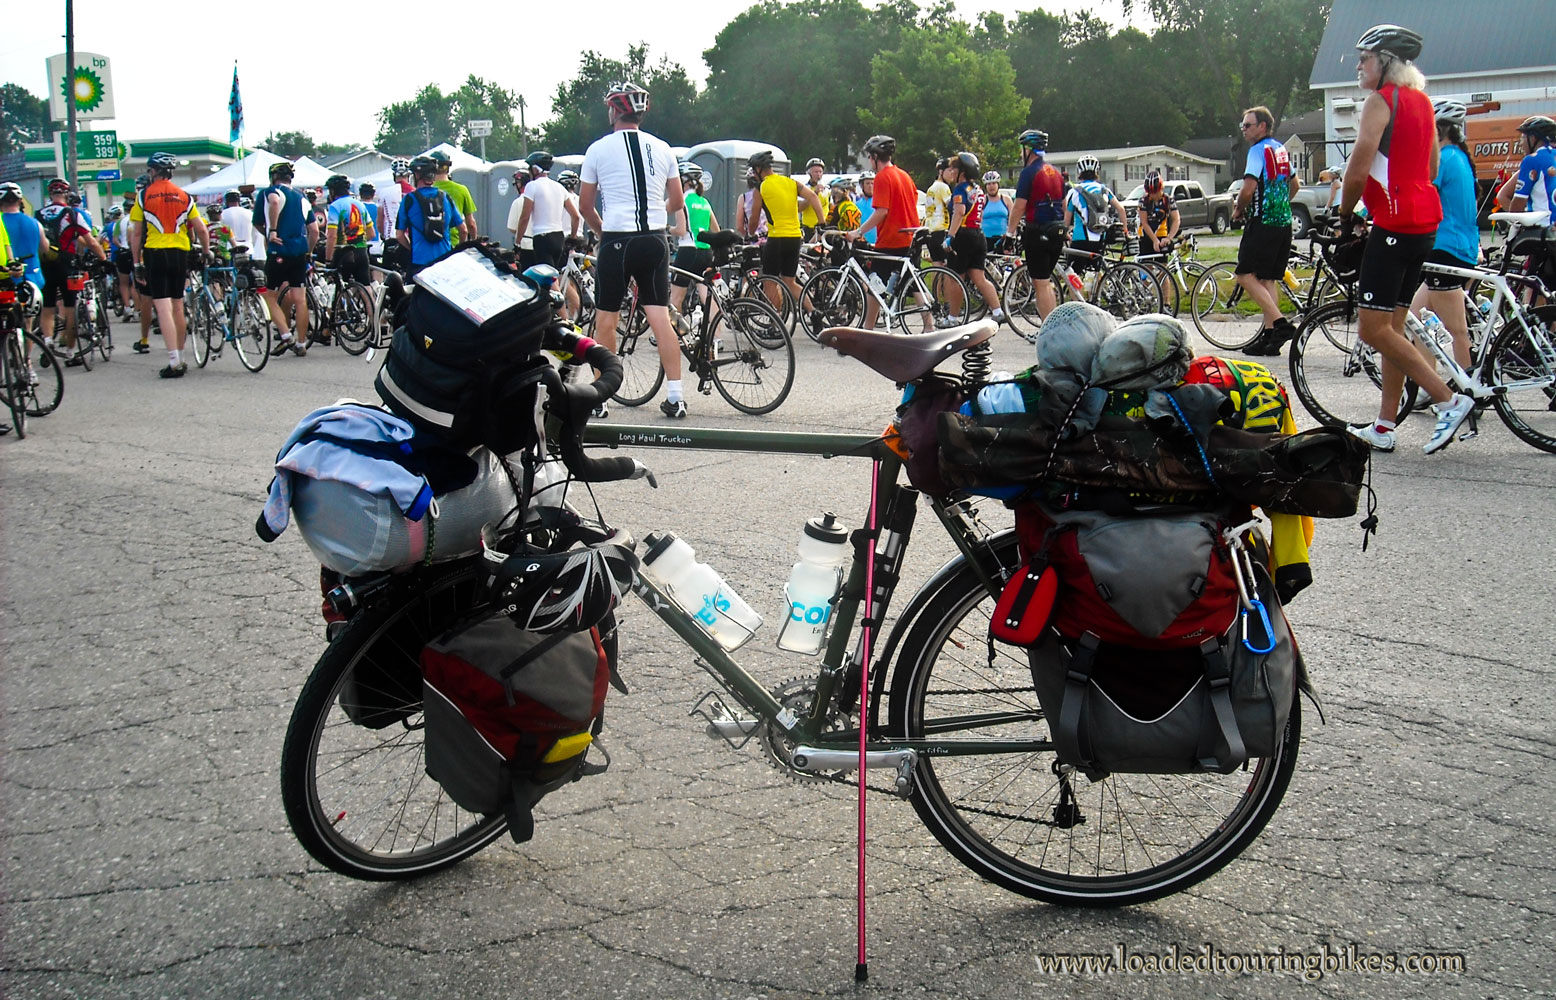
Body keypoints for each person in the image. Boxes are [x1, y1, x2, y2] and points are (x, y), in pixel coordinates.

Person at [1336, 23, 1467, 456]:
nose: (1359, 65)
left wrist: (1343, 214)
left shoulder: (1380, 101)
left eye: (1365, 58)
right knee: (1392, 328)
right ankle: (1385, 424)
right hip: (1424, 223)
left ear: (1386, 63)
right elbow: (1429, 170)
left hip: (1394, 224)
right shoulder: (1422, 102)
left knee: (1373, 329)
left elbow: (1357, 167)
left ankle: (1449, 400)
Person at [578, 81, 687, 418]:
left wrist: (602, 233)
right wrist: (654, 210)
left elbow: (585, 206)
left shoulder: (597, 149)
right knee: (660, 317)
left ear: (613, 111)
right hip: (655, 238)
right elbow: (678, 201)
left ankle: (602, 397)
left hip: (617, 239)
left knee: (606, 319)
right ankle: (676, 396)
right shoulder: (664, 148)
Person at [1403, 101, 1479, 385]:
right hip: (1454, 248)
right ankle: (1427, 383)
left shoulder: (1444, 158)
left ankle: (1470, 388)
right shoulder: (1457, 155)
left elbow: (1416, 193)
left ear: (1440, 131)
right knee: (1416, 320)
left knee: (1456, 329)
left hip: (1447, 250)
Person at [129, 152, 210, 378]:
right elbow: (201, 229)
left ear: (153, 171)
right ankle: (182, 357)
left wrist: (136, 262)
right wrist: (206, 251)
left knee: (162, 307)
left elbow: (136, 234)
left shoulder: (144, 195)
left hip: (155, 251)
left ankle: (173, 361)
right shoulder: (183, 195)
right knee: (178, 306)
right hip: (180, 253)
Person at [1231, 107, 1300, 356]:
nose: (1244, 130)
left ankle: (1280, 324)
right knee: (1267, 278)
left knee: (1244, 275)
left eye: (1248, 125)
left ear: (1262, 126)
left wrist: (1239, 209)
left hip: (1262, 222)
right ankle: (1270, 337)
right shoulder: (1280, 149)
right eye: (1243, 126)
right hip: (1283, 223)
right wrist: (1281, 204)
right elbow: (1295, 184)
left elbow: (1248, 189)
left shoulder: (1257, 151)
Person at [843, 134, 925, 331]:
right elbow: (912, 200)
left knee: (874, 284)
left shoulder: (882, 178)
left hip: (891, 239)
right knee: (912, 284)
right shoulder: (904, 175)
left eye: (870, 157)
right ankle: (929, 325)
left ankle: (868, 329)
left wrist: (858, 231)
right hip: (909, 236)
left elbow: (882, 211)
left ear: (874, 156)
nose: (870, 161)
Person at [36, 177, 108, 363]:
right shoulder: (71, 214)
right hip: (67, 263)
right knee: (70, 307)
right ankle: (70, 352)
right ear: (66, 194)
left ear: (50, 194)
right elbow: (90, 240)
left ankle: (48, 341)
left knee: (48, 307)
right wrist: (103, 258)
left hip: (45, 263)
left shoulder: (39, 214)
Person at [748, 148, 826, 318]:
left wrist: (750, 233)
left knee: (770, 282)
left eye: (754, 171)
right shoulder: (790, 183)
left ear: (759, 169)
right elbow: (813, 197)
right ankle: (813, 312)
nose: (754, 175)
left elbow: (754, 219)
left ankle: (775, 322)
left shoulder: (760, 188)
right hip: (795, 238)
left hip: (776, 238)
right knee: (789, 281)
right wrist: (822, 223)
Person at [258, 160, 318, 357]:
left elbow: (271, 206)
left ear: (274, 177)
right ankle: (301, 343)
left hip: (279, 250)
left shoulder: (270, 192)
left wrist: (271, 231)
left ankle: (285, 335)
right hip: (299, 251)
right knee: (300, 299)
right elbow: (314, 230)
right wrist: (308, 251)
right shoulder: (302, 197)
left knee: (269, 296)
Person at [1006, 129, 1066, 320]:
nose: (1020, 153)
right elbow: (1064, 205)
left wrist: (1009, 233)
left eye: (1022, 149)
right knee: (1046, 282)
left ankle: (1048, 329)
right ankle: (1054, 325)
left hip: (1037, 231)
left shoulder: (1029, 172)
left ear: (1029, 149)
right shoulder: (1056, 172)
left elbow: (1019, 207)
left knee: (1040, 284)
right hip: (1057, 231)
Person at [944, 151, 1006, 324]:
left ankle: (953, 318)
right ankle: (998, 311)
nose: (951, 171)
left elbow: (959, 213)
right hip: (979, 235)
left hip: (963, 235)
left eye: (954, 168)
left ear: (962, 171)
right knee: (979, 277)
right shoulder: (977, 189)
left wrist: (950, 236)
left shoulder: (960, 189)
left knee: (955, 278)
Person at [512, 151, 580, 273]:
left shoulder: (532, 186)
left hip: (542, 238)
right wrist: (572, 239)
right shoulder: (559, 187)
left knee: (549, 278)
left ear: (535, 169)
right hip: (559, 237)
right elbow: (575, 217)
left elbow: (524, 217)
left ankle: (557, 293)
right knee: (555, 275)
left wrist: (517, 242)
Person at [396, 155, 463, 274]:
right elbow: (463, 229)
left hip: (419, 262)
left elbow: (400, 235)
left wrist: (412, 248)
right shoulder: (446, 197)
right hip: (445, 260)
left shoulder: (409, 200)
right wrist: (457, 252)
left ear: (417, 175)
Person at [669, 160, 719, 316]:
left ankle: (676, 336)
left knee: (675, 298)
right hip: (706, 252)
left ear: (683, 181)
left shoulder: (681, 201)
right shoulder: (704, 202)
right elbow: (716, 230)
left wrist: (666, 229)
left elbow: (681, 229)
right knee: (707, 296)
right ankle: (717, 337)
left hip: (688, 251)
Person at [1063, 155, 1126, 260]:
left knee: (1071, 273)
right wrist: (1125, 231)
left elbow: (1067, 220)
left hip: (1080, 239)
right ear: (1097, 171)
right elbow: (1121, 209)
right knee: (1096, 269)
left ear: (1079, 172)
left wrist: (1064, 233)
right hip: (1101, 238)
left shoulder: (1074, 192)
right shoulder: (1104, 189)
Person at [1495, 115, 1556, 220]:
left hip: (1542, 229)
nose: (1521, 144)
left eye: (1522, 138)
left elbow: (1518, 205)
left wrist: (1516, 223)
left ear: (1533, 138)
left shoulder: (1532, 160)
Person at [323, 173, 376, 287]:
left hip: (343, 254)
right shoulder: (360, 205)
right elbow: (371, 233)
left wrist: (328, 261)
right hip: (362, 252)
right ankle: (369, 305)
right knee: (365, 287)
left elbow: (332, 236)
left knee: (337, 288)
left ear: (333, 191)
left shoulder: (335, 206)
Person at [431, 149, 477, 244]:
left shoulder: (425, 191)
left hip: (434, 245)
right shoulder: (462, 189)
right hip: (456, 243)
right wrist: (474, 241)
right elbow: (471, 223)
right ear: (447, 168)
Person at [1136, 172, 1181, 255]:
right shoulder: (1144, 201)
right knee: (1147, 266)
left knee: (1162, 266)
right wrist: (1154, 240)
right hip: (1146, 236)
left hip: (1162, 235)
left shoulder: (1168, 200)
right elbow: (1144, 222)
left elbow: (1176, 219)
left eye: (1156, 192)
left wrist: (1169, 238)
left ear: (1161, 188)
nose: (1153, 195)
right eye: (1150, 192)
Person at [923, 156, 954, 265]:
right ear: (941, 172)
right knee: (946, 267)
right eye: (950, 170)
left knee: (936, 264)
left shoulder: (931, 188)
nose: (952, 174)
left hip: (930, 231)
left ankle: (935, 283)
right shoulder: (943, 187)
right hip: (942, 230)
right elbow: (952, 207)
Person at [505, 168, 535, 259]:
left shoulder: (518, 202)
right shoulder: (540, 199)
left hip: (525, 245)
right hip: (542, 245)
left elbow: (512, 228)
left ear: (519, 184)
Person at [734, 167, 767, 241]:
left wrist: (747, 235)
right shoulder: (766, 195)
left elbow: (739, 226)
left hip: (752, 240)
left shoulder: (743, 198)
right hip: (768, 239)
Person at [978, 171, 1011, 244]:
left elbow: (1013, 218)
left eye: (994, 183)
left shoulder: (1006, 199)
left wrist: (1011, 234)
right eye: (989, 184)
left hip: (1003, 238)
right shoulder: (982, 200)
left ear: (998, 185)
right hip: (985, 239)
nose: (991, 186)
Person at [800, 157, 826, 239]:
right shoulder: (803, 189)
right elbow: (800, 207)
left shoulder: (827, 189)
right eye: (815, 172)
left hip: (823, 227)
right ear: (809, 173)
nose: (818, 174)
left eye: (820, 172)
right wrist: (814, 194)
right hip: (809, 228)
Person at [854, 171, 876, 245]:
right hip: (862, 243)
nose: (870, 186)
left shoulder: (880, 203)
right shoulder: (856, 205)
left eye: (872, 183)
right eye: (867, 183)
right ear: (861, 185)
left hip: (878, 243)